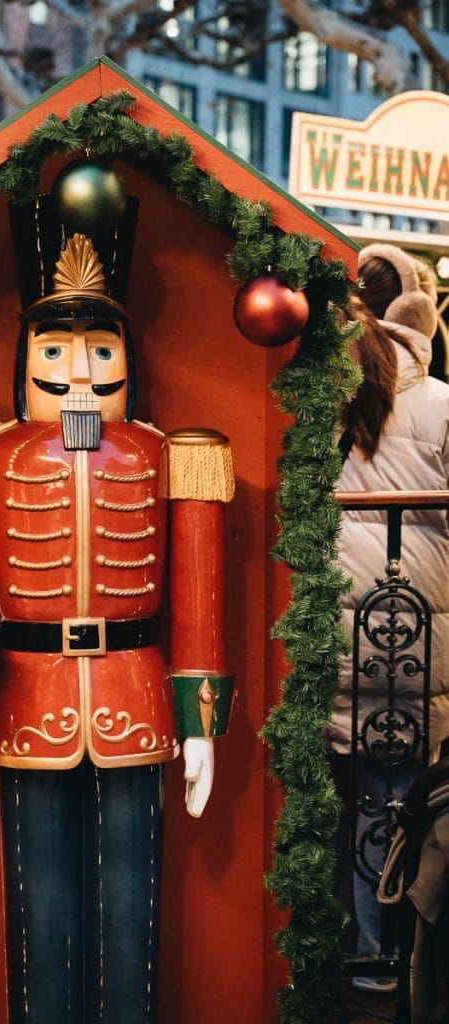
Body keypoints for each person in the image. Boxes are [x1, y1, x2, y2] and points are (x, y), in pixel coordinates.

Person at [0, 194, 235, 1024]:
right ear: (25, 357)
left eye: (100, 347)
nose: (81, 371)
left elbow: (199, 601)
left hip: (135, 686)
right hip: (27, 690)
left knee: (133, 896)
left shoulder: (176, 453)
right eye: (56, 348)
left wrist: (199, 719)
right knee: (40, 895)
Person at [327, 244, 449, 991]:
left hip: (330, 630)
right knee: (401, 796)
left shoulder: (320, 392)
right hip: (418, 633)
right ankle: (395, 959)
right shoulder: (438, 402)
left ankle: (352, 948)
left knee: (340, 798)